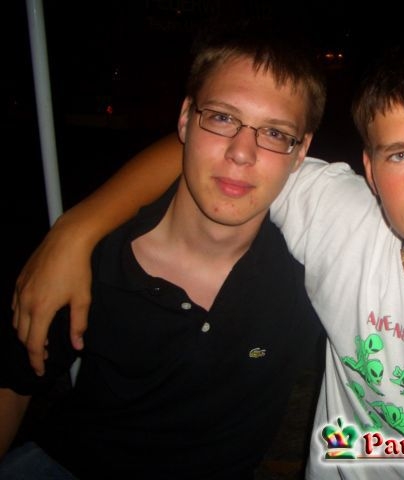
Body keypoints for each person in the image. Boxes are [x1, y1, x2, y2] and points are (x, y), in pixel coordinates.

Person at [6, 36, 404, 478]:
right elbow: (219, 152)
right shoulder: (339, 221)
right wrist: (76, 230)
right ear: (370, 169)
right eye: (399, 154)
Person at [0, 21, 325, 479]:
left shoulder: (315, 267)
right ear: (185, 118)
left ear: (301, 150)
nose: (241, 152)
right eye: (222, 118)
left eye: (274, 132)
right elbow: (13, 381)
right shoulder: (96, 257)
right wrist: (74, 232)